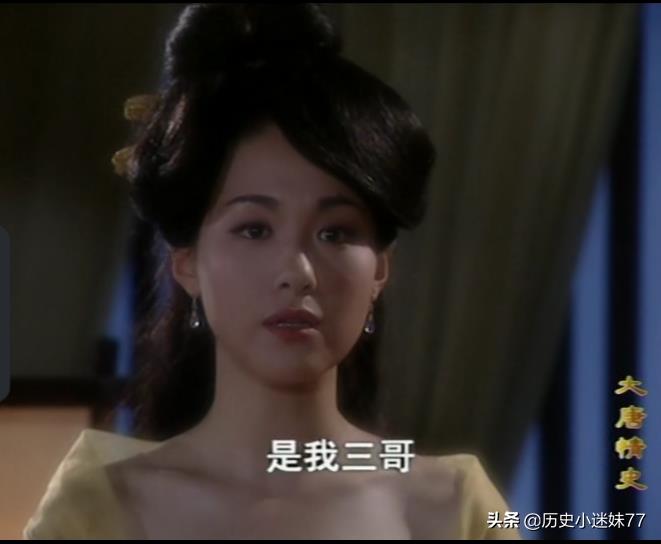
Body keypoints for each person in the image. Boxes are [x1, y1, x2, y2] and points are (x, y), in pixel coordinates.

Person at [23, 4, 520, 539]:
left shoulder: (450, 505)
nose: (298, 272)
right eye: (254, 229)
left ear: (380, 269)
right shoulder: (104, 505)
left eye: (336, 233)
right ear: (187, 264)